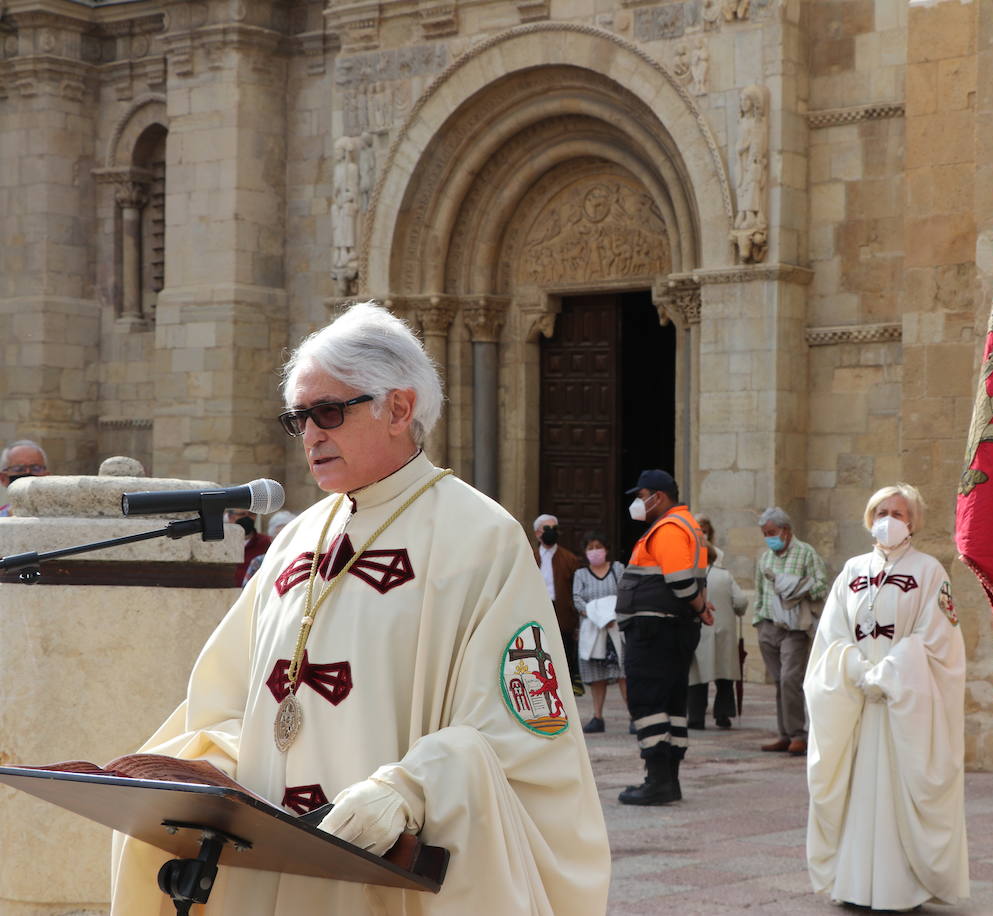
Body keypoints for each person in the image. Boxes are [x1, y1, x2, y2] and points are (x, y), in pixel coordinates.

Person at [110, 301, 610, 915]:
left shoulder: (479, 537)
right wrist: (199, 766)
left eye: (327, 412)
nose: (311, 434)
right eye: (299, 419)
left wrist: (406, 789)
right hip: (267, 863)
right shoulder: (296, 539)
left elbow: (521, 728)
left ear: (398, 409)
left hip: (377, 867)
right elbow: (228, 699)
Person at [804, 483, 969, 910]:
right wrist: (856, 669)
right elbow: (832, 633)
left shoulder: (930, 571)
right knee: (856, 788)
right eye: (881, 511)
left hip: (903, 701)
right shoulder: (852, 570)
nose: (889, 520)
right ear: (869, 517)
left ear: (912, 520)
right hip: (857, 699)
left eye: (898, 512)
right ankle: (854, 883)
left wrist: (891, 673)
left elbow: (937, 637)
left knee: (898, 788)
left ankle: (901, 888)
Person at [615, 469, 712, 805]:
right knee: (671, 705)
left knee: (649, 702)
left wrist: (700, 606)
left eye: (641, 497)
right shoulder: (686, 526)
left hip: (655, 631)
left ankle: (657, 781)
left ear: (659, 496)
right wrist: (698, 606)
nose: (638, 504)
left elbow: (681, 580)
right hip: (670, 628)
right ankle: (668, 780)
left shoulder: (669, 527)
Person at [753, 506, 827, 756]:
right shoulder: (765, 558)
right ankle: (784, 734)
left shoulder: (806, 553)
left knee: (790, 679)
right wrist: (758, 621)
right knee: (778, 682)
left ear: (786, 531)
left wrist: (796, 587)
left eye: (772, 532)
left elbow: (821, 586)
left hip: (794, 628)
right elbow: (759, 591)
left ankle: (798, 734)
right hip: (768, 625)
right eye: (765, 533)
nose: (768, 537)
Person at [687, 542, 747, 729]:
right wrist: (736, 610)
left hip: (698, 631)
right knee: (724, 676)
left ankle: (696, 717)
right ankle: (723, 715)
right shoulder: (725, 576)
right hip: (723, 632)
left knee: (697, 677)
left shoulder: (689, 576)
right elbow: (741, 600)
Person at [572, 530, 627, 734]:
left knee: (623, 673)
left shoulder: (618, 569)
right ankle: (597, 716)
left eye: (598, 547)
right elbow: (577, 599)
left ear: (606, 549)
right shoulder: (581, 574)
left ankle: (633, 715)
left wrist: (612, 617)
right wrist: (598, 617)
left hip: (616, 628)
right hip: (593, 631)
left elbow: (625, 593)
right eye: (590, 548)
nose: (595, 551)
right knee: (597, 675)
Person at [532, 512, 585, 696]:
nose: (552, 532)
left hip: (562, 609)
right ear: (538, 533)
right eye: (547, 529)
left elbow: (576, 588)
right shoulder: (530, 557)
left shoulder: (569, 559)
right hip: (538, 608)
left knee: (564, 647)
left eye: (555, 529)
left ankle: (569, 685)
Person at [0, 439, 49, 517]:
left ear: (47, 476)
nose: (27, 473)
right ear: (3, 478)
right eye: (19, 469)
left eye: (36, 468)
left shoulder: (64, 519)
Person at [227, 508, 273, 587]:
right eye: (242, 514)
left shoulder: (266, 542)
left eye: (251, 514)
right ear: (231, 517)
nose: (247, 518)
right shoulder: (222, 544)